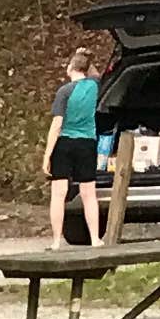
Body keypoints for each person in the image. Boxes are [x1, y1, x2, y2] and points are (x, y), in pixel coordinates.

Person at [46, 48, 107, 246]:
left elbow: (56, 125)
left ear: (71, 67)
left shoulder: (64, 92)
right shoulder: (94, 85)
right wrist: (88, 58)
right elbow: (96, 73)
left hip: (65, 143)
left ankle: (56, 241)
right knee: (89, 194)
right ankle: (95, 238)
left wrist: (47, 155)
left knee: (59, 193)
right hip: (87, 143)